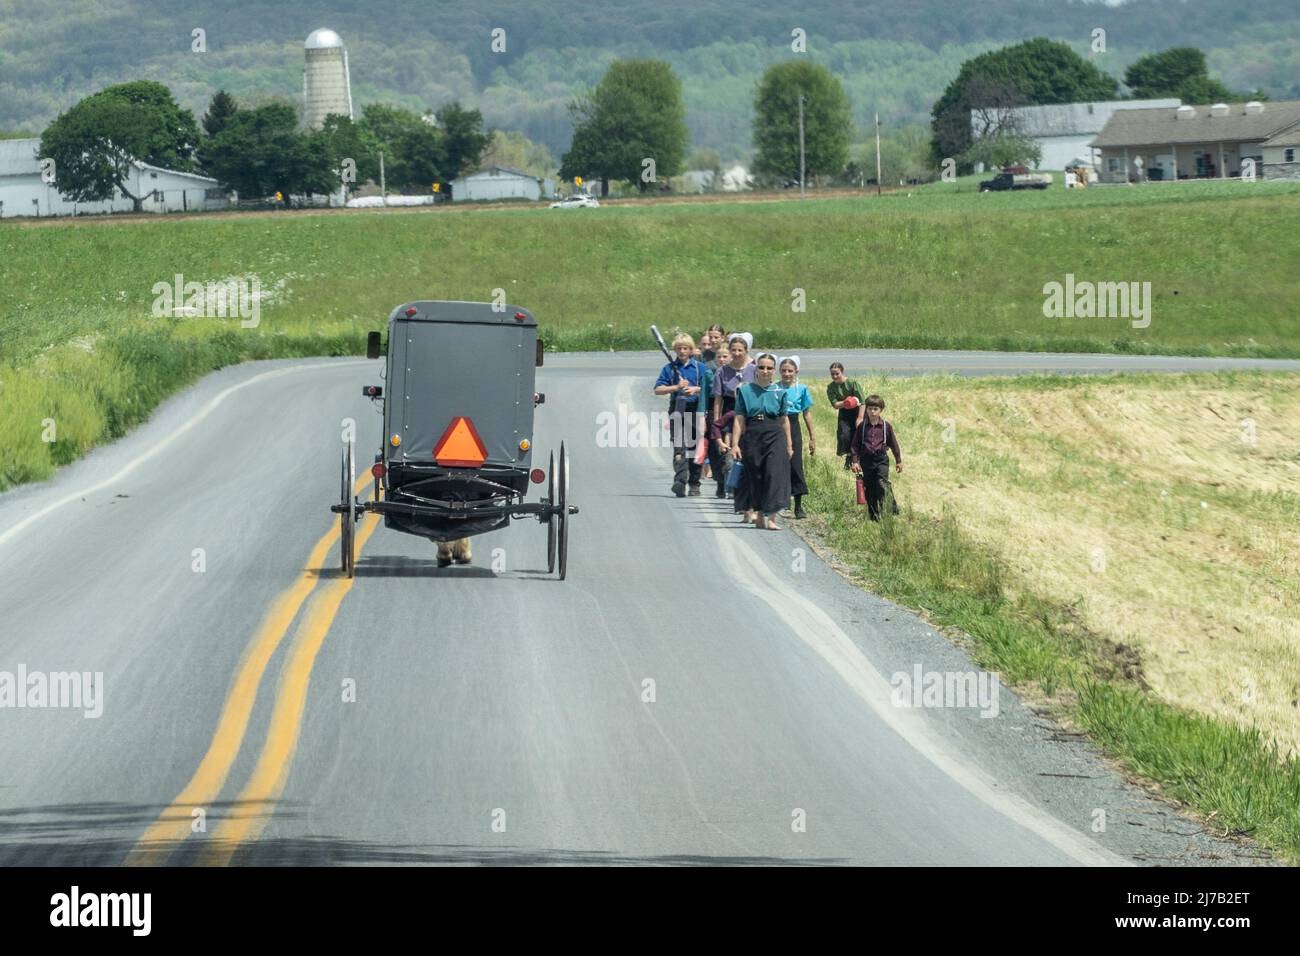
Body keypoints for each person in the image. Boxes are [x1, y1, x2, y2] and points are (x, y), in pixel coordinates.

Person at [731, 354, 793, 530]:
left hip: (774, 434)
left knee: (774, 474)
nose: (765, 371)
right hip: (753, 434)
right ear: (756, 369)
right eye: (761, 367)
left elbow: (784, 420)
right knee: (756, 474)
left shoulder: (780, 392)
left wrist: (789, 445)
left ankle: (772, 517)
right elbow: (739, 419)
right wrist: (735, 444)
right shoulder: (745, 390)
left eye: (769, 368)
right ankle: (759, 513)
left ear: (774, 370)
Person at [653, 333, 707, 497]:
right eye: (679, 348)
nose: (682, 351)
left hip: (696, 409)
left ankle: (694, 483)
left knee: (694, 448)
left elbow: (710, 388)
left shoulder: (699, 368)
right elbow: (658, 389)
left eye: (685, 348)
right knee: (679, 449)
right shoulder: (669, 368)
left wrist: (695, 389)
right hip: (677, 410)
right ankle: (680, 481)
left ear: (691, 350)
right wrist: (676, 387)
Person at [712, 333, 756, 499]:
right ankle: (727, 484)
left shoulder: (754, 369)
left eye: (740, 350)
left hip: (750, 410)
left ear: (746, 350)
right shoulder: (722, 371)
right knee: (728, 451)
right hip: (729, 409)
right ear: (729, 350)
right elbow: (718, 399)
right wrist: (717, 421)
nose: (737, 353)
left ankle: (745, 486)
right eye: (734, 350)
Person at [849, 394, 903, 521]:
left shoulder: (886, 426)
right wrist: (855, 461)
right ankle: (874, 516)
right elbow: (855, 446)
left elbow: (894, 444)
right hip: (867, 461)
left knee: (882, 483)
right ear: (866, 409)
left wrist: (898, 461)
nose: (872, 412)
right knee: (870, 489)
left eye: (875, 409)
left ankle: (891, 507)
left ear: (881, 410)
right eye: (870, 409)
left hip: (881, 460)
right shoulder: (862, 427)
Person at [778, 356, 815, 518]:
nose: (787, 374)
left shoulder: (802, 389)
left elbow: (806, 414)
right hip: (777, 426)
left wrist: (812, 437)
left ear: (796, 372)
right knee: (779, 464)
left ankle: (798, 505)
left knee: (795, 464)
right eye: (784, 371)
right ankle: (782, 500)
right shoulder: (774, 388)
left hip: (794, 425)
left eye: (790, 371)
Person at [827, 362, 865, 470]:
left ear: (842, 372)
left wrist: (860, 417)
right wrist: (846, 402)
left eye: (837, 373)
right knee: (844, 435)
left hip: (857, 411)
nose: (834, 376)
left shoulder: (852, 383)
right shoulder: (831, 387)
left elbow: (862, 402)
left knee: (858, 435)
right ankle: (849, 457)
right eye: (832, 374)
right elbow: (835, 404)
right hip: (844, 412)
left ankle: (859, 459)